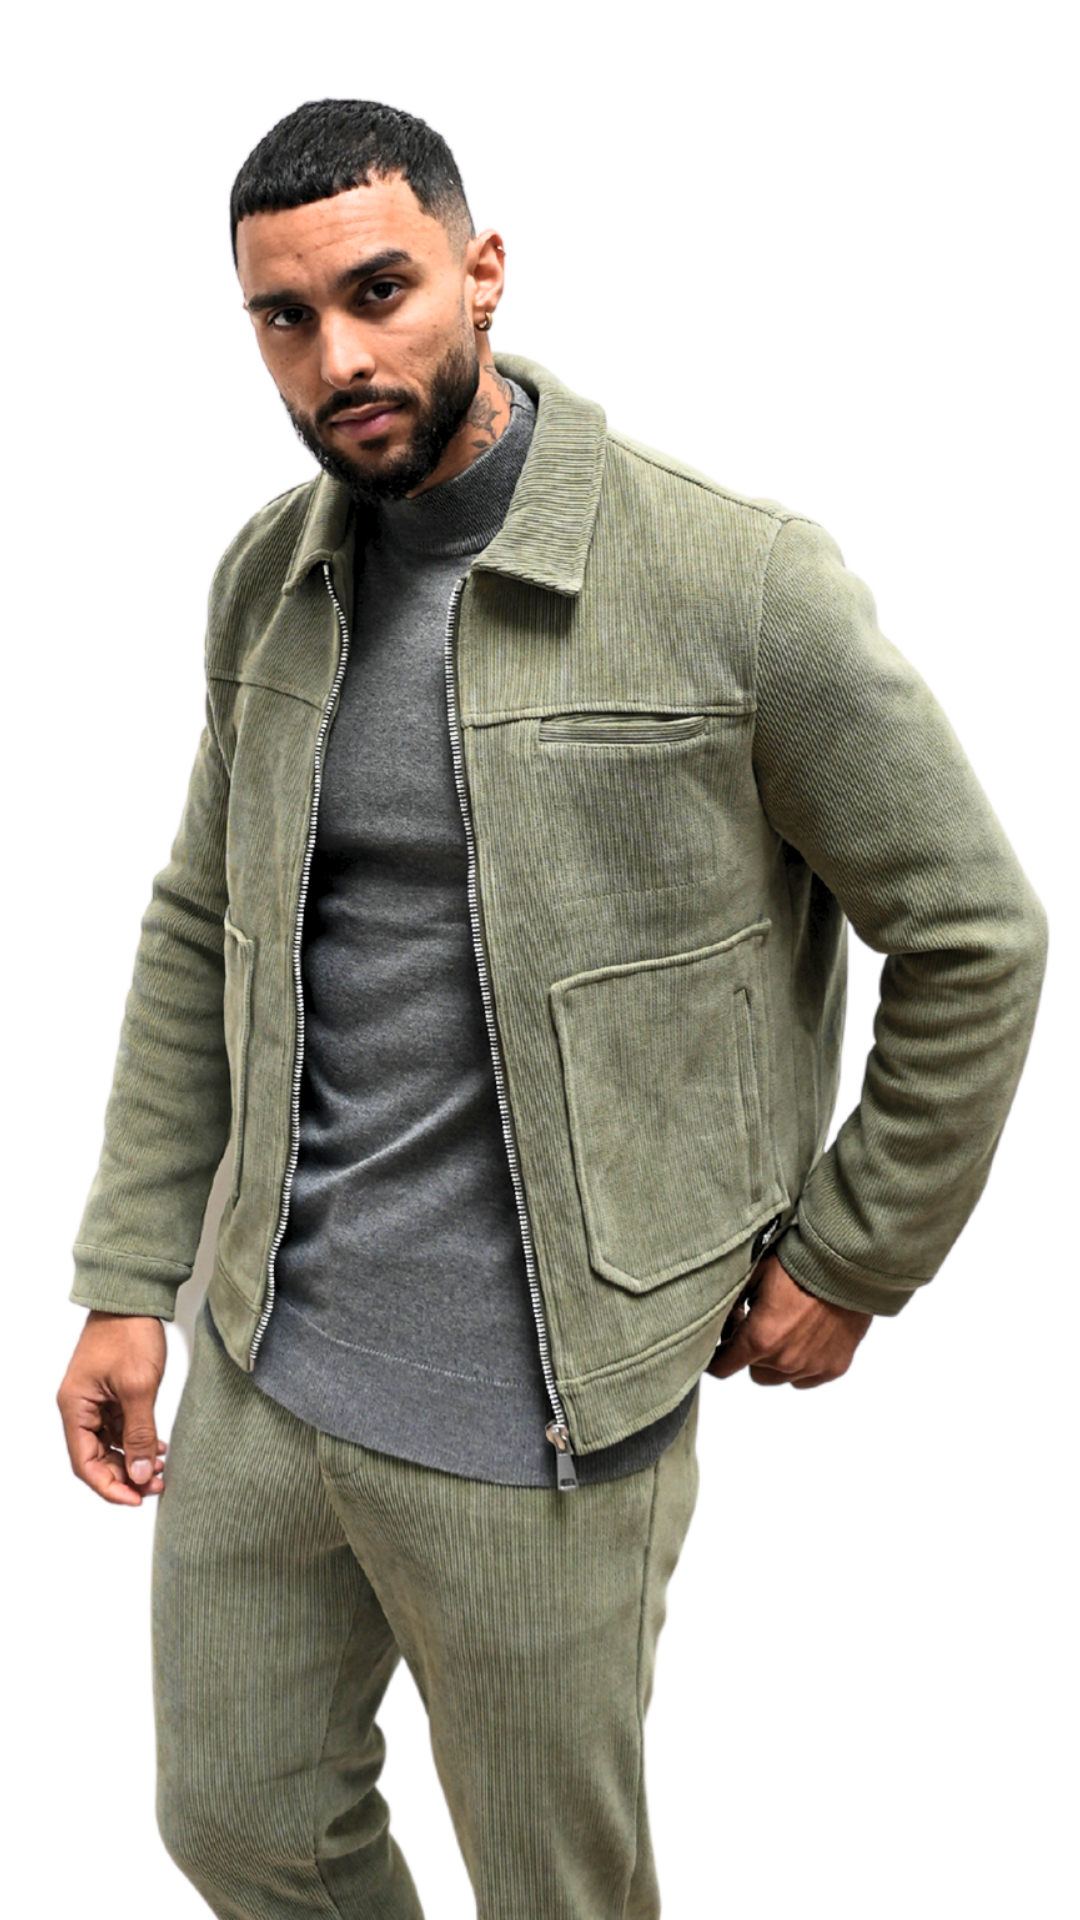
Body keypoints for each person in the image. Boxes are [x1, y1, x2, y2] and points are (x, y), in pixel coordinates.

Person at [56, 96, 1050, 1919]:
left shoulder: (737, 576)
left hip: (543, 1406)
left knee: (552, 1894)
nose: (341, 360)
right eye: (287, 318)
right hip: (267, 1353)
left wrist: (858, 1256)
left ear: (485, 272)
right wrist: (130, 1271)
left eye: (381, 291)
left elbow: (977, 933)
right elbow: (200, 923)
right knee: (237, 1827)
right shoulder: (268, 574)